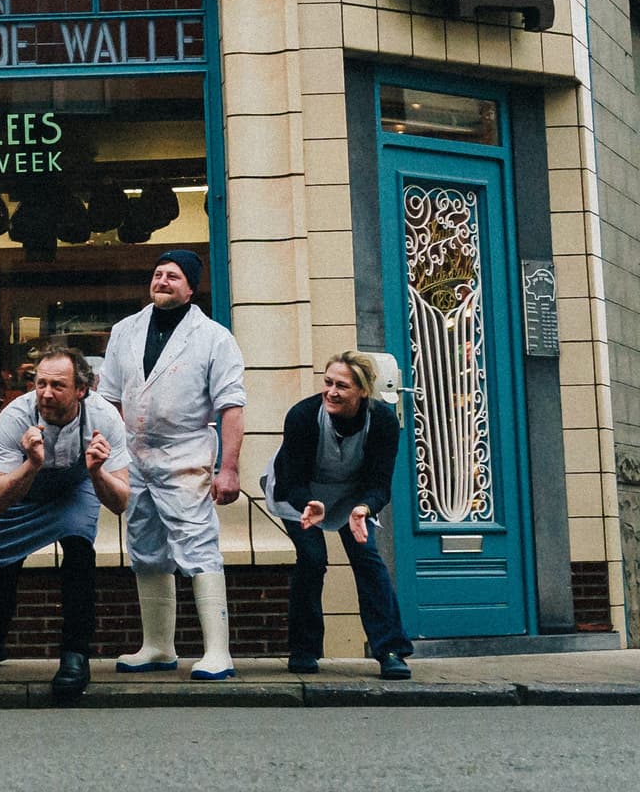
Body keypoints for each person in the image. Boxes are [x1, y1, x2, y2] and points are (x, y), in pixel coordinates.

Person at [0, 340, 133, 702]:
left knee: (80, 550)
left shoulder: (105, 418)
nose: (46, 394)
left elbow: (120, 502)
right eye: (40, 384)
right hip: (24, 489)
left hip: (75, 486)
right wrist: (31, 464)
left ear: (82, 390)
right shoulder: (15, 416)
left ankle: (75, 654)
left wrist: (97, 473)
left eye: (58, 386)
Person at [96, 249, 246, 680]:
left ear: (191, 287)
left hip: (187, 453)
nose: (162, 281)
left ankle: (219, 651)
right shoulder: (125, 330)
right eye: (158, 274)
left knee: (197, 546)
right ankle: (159, 646)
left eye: (173, 276)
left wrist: (229, 469)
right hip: (133, 451)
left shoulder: (215, 337)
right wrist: (107, 452)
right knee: (144, 547)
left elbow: (231, 407)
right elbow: (108, 398)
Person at [266, 350, 411, 679]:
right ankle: (304, 650)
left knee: (367, 558)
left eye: (342, 386)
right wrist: (309, 504)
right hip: (299, 493)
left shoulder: (383, 423)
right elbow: (290, 480)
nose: (331, 391)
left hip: (351, 496)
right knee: (313, 558)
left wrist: (364, 508)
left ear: (362, 390)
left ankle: (390, 650)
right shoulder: (302, 416)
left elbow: (379, 484)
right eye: (328, 382)